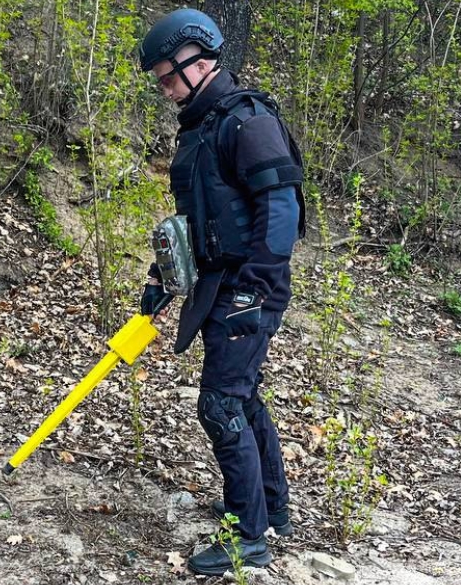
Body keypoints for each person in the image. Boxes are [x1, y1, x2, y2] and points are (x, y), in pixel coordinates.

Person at [137, 7, 306, 577]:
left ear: (201, 60)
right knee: (242, 394)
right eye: (159, 77)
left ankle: (247, 536)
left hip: (249, 285)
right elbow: (200, 218)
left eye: (167, 74)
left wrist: (254, 289)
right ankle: (271, 511)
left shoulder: (247, 120)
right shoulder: (202, 126)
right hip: (217, 282)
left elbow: (281, 210)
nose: (163, 87)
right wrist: (164, 276)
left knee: (221, 402)